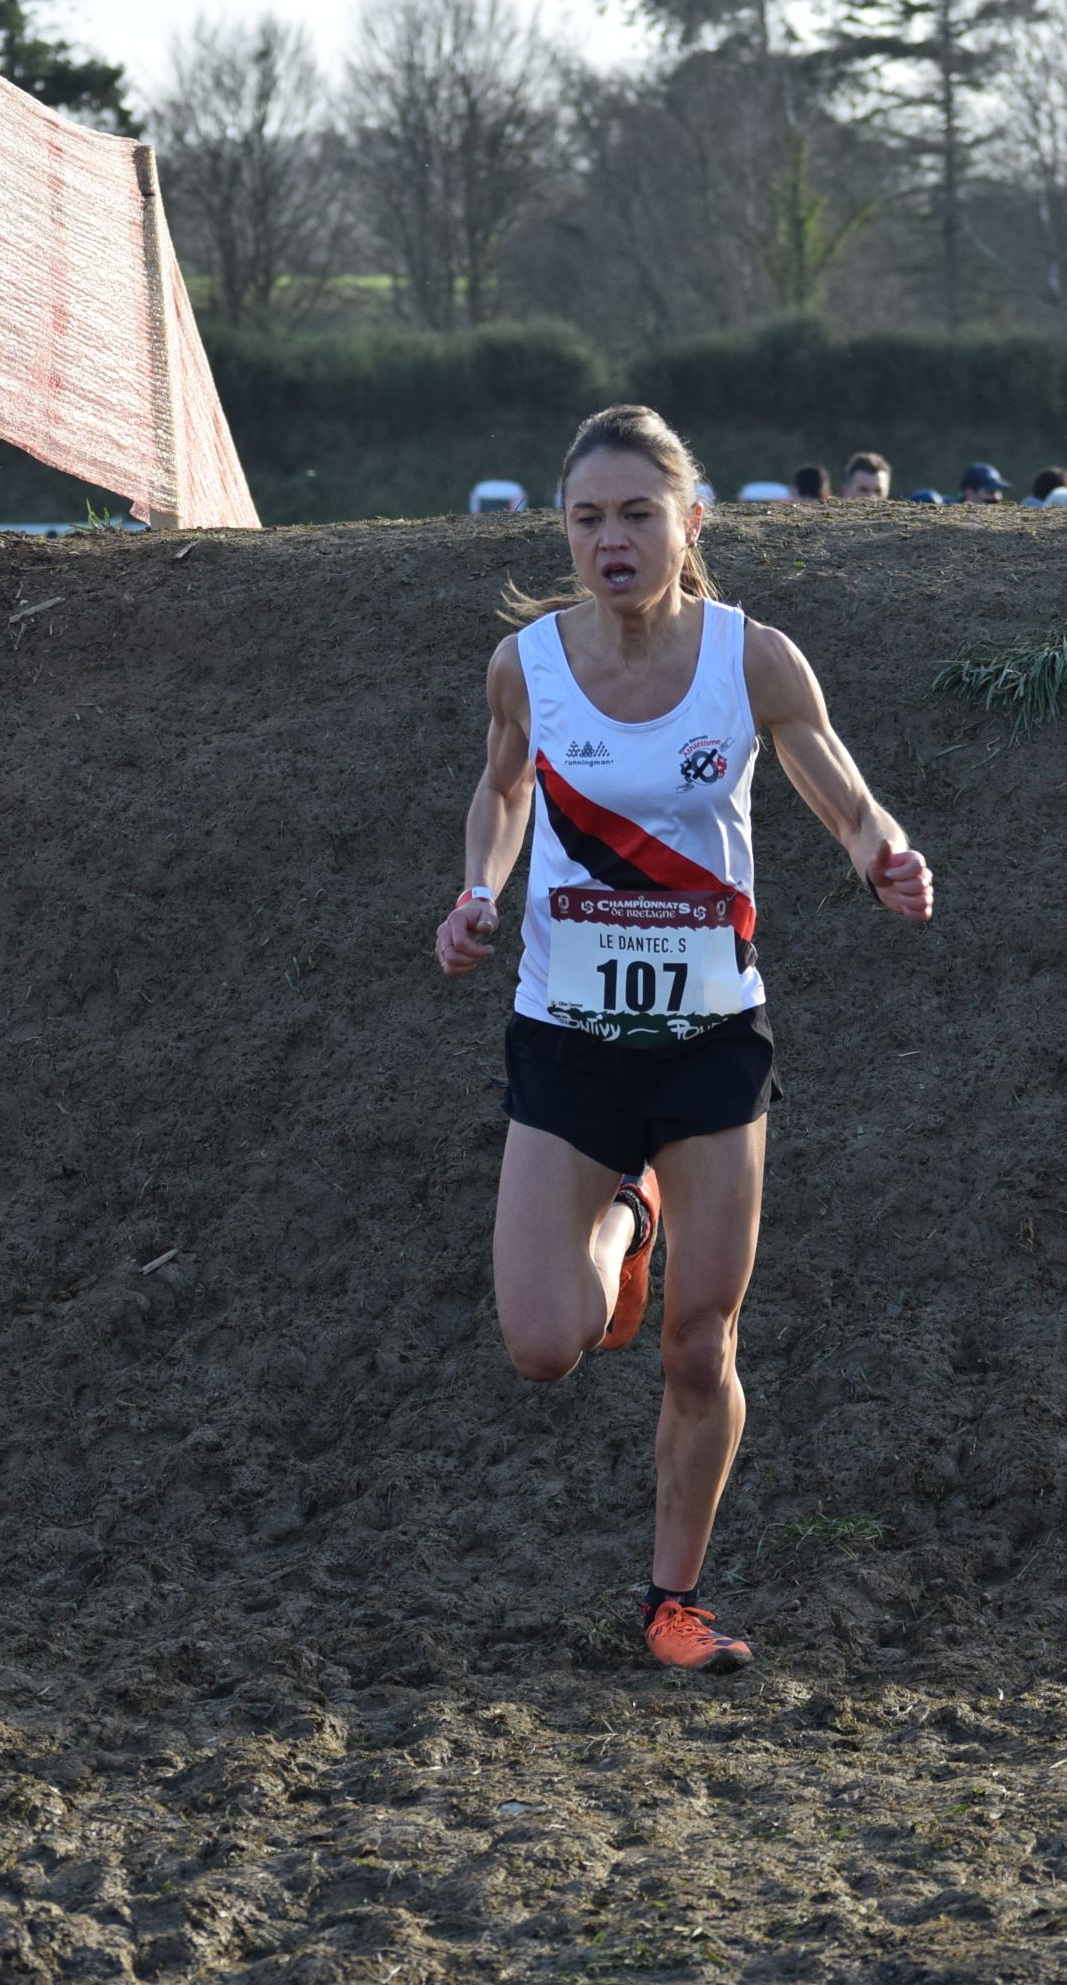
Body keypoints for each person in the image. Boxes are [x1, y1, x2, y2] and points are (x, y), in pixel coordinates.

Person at [433, 405, 935, 1675]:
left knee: (700, 1343)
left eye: (636, 514)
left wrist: (882, 854)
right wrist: (478, 889)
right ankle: (629, 1217)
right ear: (564, 532)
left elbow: (837, 784)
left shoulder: (751, 659)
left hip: (709, 1037)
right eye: (586, 518)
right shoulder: (525, 666)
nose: (611, 539)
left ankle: (673, 1600)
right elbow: (501, 786)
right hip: (566, 1034)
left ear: (689, 521)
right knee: (542, 1343)